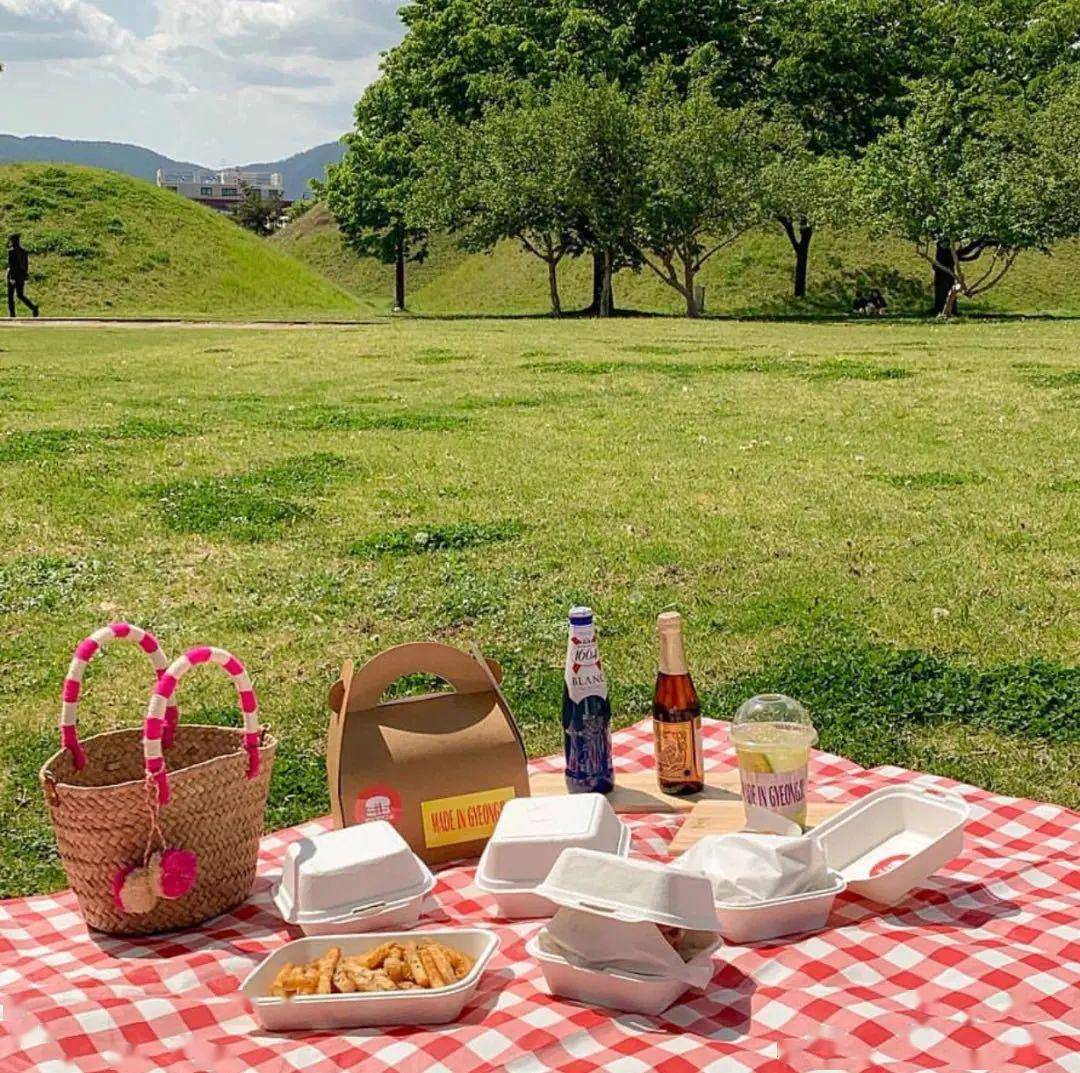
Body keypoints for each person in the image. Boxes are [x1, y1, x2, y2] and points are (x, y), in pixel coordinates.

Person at [7, 234, 40, 318]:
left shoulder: (11, 251)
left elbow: (12, 265)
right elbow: (25, 265)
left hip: (13, 276)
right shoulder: (23, 251)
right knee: (20, 295)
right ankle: (33, 307)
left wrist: (11, 277)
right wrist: (25, 275)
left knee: (10, 296)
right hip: (21, 276)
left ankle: (12, 314)